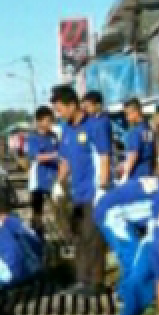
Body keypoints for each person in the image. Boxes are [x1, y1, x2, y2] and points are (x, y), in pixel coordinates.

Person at [95, 167, 159, 300]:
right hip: (111, 216)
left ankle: (131, 292)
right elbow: (157, 228)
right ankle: (126, 296)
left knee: (136, 254)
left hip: (118, 213)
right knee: (132, 255)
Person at [53, 86, 109, 295]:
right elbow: (66, 160)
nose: (59, 114)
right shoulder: (67, 129)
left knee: (92, 237)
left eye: (60, 109)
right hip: (76, 193)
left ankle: (95, 283)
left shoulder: (95, 126)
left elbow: (104, 156)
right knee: (78, 237)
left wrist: (102, 187)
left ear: (72, 105)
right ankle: (82, 280)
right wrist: (59, 182)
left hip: (93, 193)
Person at [26, 106, 60, 235]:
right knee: (37, 211)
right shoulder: (33, 137)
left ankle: (63, 237)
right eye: (47, 121)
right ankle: (37, 236)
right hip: (38, 181)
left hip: (53, 177)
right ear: (39, 122)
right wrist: (55, 155)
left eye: (51, 120)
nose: (50, 123)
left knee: (58, 209)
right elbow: (37, 157)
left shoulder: (54, 136)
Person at [121, 98, 156, 181]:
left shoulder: (135, 132)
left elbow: (134, 154)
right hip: (148, 170)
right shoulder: (148, 128)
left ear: (136, 112)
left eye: (127, 114)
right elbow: (151, 149)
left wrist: (125, 176)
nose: (127, 118)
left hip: (137, 173)